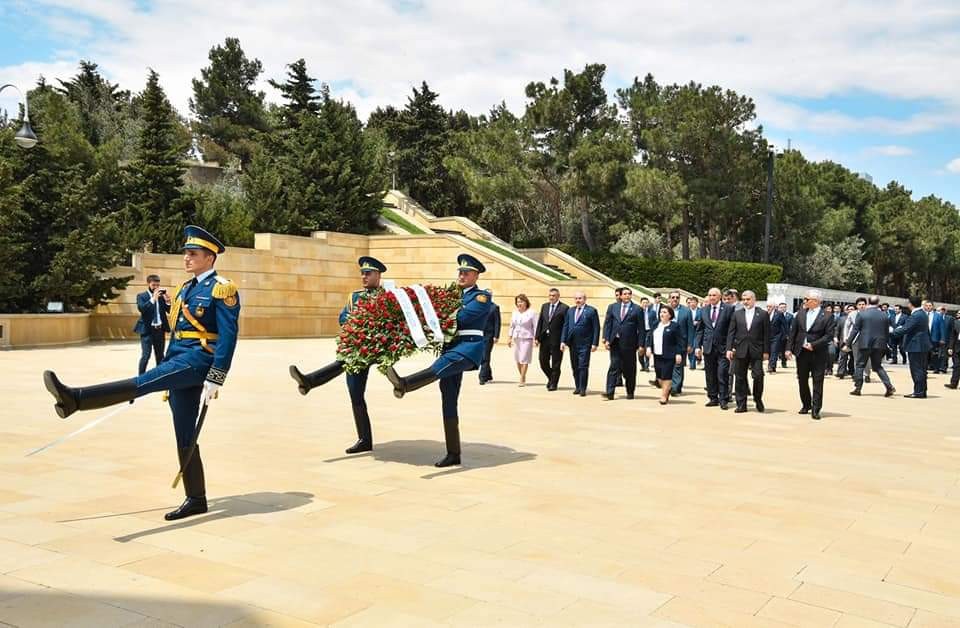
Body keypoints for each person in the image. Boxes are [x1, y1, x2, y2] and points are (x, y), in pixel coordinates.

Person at [43, 226, 240, 520]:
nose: (186, 258)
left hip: (199, 360)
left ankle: (77, 399)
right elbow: (177, 332)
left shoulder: (222, 288)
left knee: (144, 382)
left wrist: (217, 375)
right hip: (179, 357)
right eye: (186, 253)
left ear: (210, 258)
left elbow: (228, 336)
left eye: (193, 253)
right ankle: (196, 498)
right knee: (184, 431)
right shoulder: (186, 288)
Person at [385, 254, 494, 467]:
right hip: (451, 346)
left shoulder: (482, 297)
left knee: (441, 366)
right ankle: (454, 453)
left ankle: (405, 384)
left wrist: (436, 313)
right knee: (448, 399)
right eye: (460, 272)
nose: (461, 275)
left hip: (468, 348)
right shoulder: (453, 295)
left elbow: (462, 318)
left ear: (476, 275)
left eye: (466, 272)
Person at [288, 256, 387, 454]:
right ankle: (364, 439)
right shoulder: (355, 297)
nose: (364, 277)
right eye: (362, 273)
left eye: (368, 273)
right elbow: (343, 317)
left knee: (344, 361)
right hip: (356, 347)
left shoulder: (388, 297)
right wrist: (357, 321)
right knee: (355, 394)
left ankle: (310, 381)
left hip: (377, 348)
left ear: (378, 275)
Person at [784, 289, 836, 420]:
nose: (804, 301)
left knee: (818, 381)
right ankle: (806, 404)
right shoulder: (800, 314)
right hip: (801, 352)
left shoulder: (828, 315)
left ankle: (816, 408)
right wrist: (788, 348)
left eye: (807, 299)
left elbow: (829, 336)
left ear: (816, 301)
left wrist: (814, 344)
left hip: (818, 353)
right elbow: (793, 333)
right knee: (802, 379)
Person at [726, 290, 770, 413]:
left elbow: (767, 334)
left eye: (748, 299)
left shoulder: (763, 314)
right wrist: (729, 348)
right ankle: (741, 403)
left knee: (758, 375)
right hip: (740, 350)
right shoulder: (737, 314)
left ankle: (758, 399)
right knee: (740, 377)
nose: (745, 302)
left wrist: (766, 351)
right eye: (744, 299)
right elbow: (731, 332)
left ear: (754, 299)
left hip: (757, 350)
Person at [846, 294, 896, 397]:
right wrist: (886, 343)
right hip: (879, 344)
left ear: (868, 303)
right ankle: (889, 386)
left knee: (860, 365)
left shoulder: (862, 314)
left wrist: (848, 343)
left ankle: (858, 388)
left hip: (865, 343)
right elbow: (886, 332)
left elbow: (855, 329)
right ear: (878, 303)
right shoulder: (884, 315)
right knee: (878, 366)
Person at [602, 287, 643, 400]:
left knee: (629, 369)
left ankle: (630, 391)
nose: (627, 296)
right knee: (613, 366)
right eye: (624, 294)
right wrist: (605, 338)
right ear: (620, 295)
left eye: (629, 294)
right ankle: (609, 392)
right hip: (615, 342)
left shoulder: (637, 309)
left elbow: (641, 328)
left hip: (630, 344)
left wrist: (641, 345)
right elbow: (607, 323)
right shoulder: (613, 307)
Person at [696, 287, 733, 410]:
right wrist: (697, 346)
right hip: (708, 347)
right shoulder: (704, 310)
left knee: (722, 373)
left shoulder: (728, 309)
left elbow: (731, 330)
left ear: (720, 296)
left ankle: (723, 399)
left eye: (714, 295)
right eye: (710, 295)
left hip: (723, 348)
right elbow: (700, 329)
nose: (712, 297)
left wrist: (730, 347)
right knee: (710, 374)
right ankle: (713, 398)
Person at [891, 296, 932, 398]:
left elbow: (906, 328)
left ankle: (918, 392)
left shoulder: (916, 315)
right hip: (921, 345)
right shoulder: (922, 313)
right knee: (921, 369)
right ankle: (921, 391)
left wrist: (892, 331)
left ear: (910, 304)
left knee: (916, 369)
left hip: (916, 346)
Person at [560, 290, 600, 396]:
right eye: (576, 298)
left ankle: (583, 388)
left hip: (585, 343)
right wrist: (563, 341)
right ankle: (577, 386)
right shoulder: (570, 311)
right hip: (572, 343)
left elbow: (596, 328)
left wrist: (594, 343)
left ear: (584, 299)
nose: (578, 300)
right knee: (575, 366)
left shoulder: (591, 311)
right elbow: (566, 326)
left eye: (580, 298)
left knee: (583, 366)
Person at [646, 305, 685, 405]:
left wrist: (678, 353)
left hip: (669, 355)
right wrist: (649, 347)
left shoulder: (674, 326)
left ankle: (663, 396)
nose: (662, 314)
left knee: (666, 375)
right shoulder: (655, 324)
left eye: (664, 312)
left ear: (670, 315)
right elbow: (650, 336)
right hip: (657, 355)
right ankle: (667, 389)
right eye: (661, 312)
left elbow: (680, 341)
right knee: (659, 377)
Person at [134, 274, 170, 375]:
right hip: (147, 331)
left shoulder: (161, 297)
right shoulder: (142, 296)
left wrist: (167, 302)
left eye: (158, 285)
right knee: (146, 355)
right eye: (154, 285)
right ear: (148, 284)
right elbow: (142, 309)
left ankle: (159, 377)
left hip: (159, 330)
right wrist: (153, 299)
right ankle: (141, 377)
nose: (156, 287)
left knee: (160, 355)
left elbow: (170, 311)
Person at [535, 288, 568, 391]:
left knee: (556, 363)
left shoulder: (564, 308)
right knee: (542, 361)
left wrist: (564, 340)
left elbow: (566, 325)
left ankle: (554, 384)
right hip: (544, 338)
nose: (551, 297)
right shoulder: (544, 306)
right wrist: (537, 337)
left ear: (558, 296)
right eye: (550, 295)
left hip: (557, 340)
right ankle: (551, 378)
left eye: (553, 295)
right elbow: (540, 321)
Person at [666, 291, 696, 395]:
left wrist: (690, 344)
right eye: (673, 297)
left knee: (678, 365)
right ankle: (672, 386)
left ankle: (675, 388)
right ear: (669, 298)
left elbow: (690, 328)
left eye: (677, 297)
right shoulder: (664, 310)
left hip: (681, 343)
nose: (675, 299)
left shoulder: (686, 311)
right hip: (667, 343)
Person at [508, 294, 537, 386]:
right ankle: (522, 375)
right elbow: (512, 326)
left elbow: (535, 326)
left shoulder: (532, 312)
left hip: (527, 338)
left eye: (521, 301)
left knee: (524, 358)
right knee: (517, 358)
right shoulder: (514, 313)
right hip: (517, 337)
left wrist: (536, 338)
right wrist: (509, 337)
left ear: (526, 302)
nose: (519, 303)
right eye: (518, 302)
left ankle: (522, 378)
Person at [478, 293, 501, 384]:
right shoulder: (480, 306)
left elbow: (497, 322)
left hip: (489, 335)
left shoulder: (494, 307)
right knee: (482, 356)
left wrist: (496, 336)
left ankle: (482, 377)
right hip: (479, 334)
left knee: (485, 356)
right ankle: (488, 375)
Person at [767, 301, 785, 374]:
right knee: (769, 352)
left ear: (774, 307)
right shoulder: (765, 314)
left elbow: (784, 324)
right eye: (767, 306)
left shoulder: (779, 314)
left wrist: (785, 335)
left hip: (777, 336)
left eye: (770, 306)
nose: (768, 308)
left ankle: (772, 367)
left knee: (774, 352)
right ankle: (770, 365)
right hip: (768, 336)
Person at [946, 311, 960, 389]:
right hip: (957, 348)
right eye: (958, 313)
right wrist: (950, 347)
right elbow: (952, 336)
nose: (958, 315)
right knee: (956, 366)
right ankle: (953, 383)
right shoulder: (956, 323)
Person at [637, 296, 652, 372]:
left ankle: (647, 366)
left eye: (646, 303)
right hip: (640, 332)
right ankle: (642, 365)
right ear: (640, 303)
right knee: (640, 350)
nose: (645, 304)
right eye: (643, 303)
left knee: (647, 348)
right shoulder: (637, 311)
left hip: (648, 331)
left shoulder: (651, 312)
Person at [687, 296, 702, 370]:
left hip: (697, 331)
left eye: (694, 302)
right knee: (689, 347)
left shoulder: (700, 311)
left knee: (695, 346)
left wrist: (697, 322)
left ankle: (693, 364)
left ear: (697, 303)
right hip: (689, 332)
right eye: (691, 302)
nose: (692, 304)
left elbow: (702, 321)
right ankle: (691, 361)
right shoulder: (687, 311)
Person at [935, 306, 951, 373]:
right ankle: (936, 368)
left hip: (946, 339)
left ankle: (943, 368)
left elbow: (951, 330)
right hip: (936, 339)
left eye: (941, 310)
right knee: (936, 354)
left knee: (944, 355)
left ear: (945, 311)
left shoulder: (950, 318)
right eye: (938, 310)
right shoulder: (934, 318)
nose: (940, 312)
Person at [779, 303, 794, 369]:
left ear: (786, 308)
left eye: (784, 307)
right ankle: (772, 363)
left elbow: (792, 327)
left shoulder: (790, 316)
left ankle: (784, 362)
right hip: (777, 335)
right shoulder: (776, 315)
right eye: (781, 307)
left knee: (783, 349)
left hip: (785, 335)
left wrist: (789, 335)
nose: (782, 308)